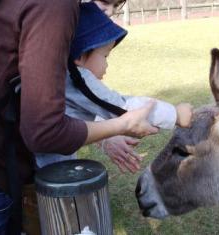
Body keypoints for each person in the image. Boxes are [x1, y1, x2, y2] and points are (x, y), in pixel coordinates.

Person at [0, 0, 162, 234]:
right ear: (79, 57)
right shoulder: (54, 7)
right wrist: (125, 124)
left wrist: (103, 134)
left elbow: (56, 103)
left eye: (116, 6)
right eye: (104, 1)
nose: (108, 12)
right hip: (4, 171)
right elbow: (45, 131)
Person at [35, 2, 193, 173]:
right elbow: (122, 107)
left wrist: (106, 137)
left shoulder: (57, 75)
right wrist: (174, 114)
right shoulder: (78, 77)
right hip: (53, 168)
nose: (106, 65)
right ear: (80, 56)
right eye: (105, 56)